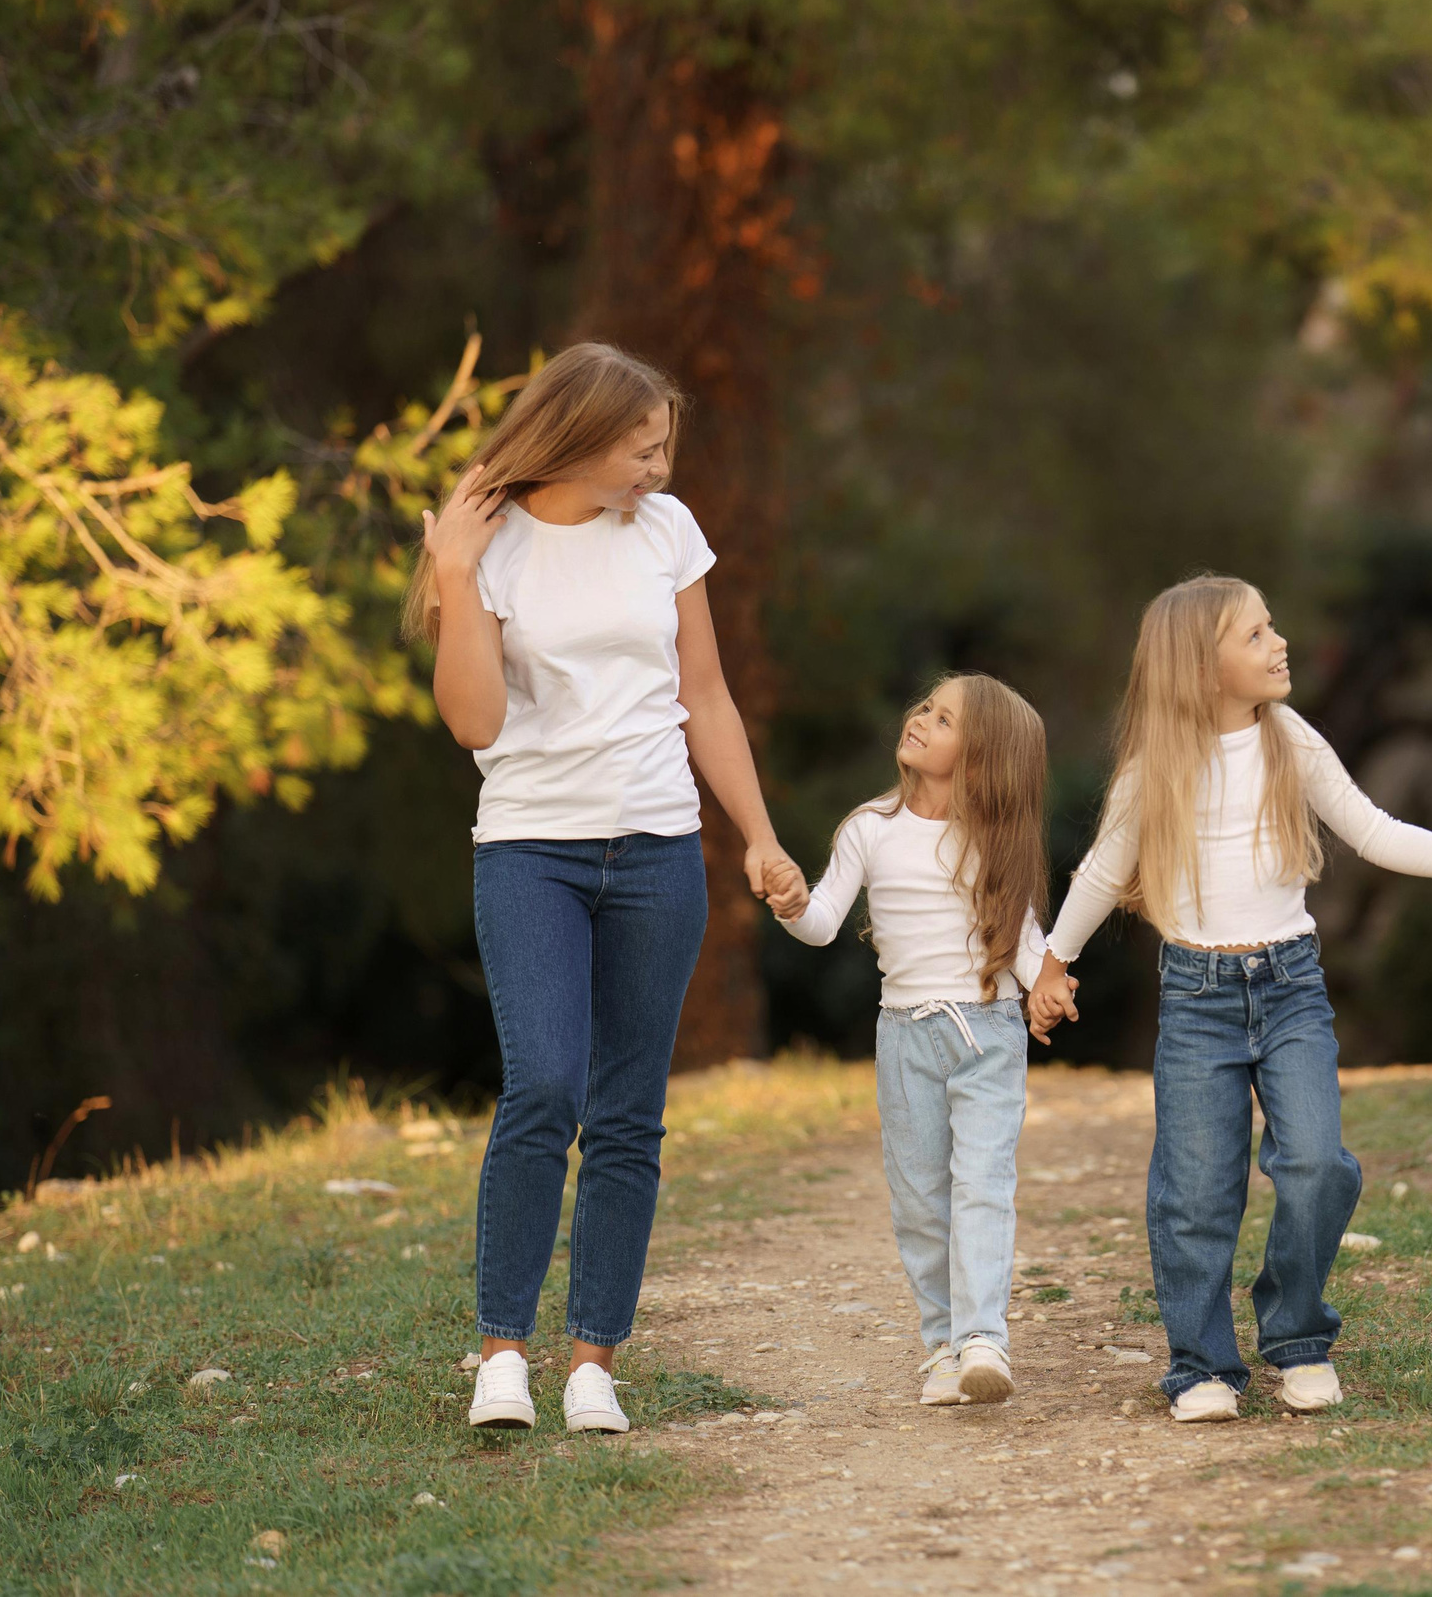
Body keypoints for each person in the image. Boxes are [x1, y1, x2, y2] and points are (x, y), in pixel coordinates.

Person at [410, 342, 795, 1434]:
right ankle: (501, 1356)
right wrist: (449, 576)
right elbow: (476, 723)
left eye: (665, 448)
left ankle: (592, 1366)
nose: (659, 469)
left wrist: (757, 837)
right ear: (580, 436)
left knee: (629, 1115)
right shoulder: (488, 541)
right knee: (542, 1088)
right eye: (643, 448)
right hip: (532, 846)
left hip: (659, 848)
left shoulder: (665, 533)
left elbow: (707, 699)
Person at [1027, 574, 1432, 1423]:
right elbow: (1104, 867)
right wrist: (1053, 961)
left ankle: (1296, 1335)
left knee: (1318, 1163)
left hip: (1289, 985)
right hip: (1197, 997)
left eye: (1270, 627)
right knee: (1196, 1189)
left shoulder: (1290, 739)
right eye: (1255, 635)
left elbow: (1369, 828)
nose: (1278, 642)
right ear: (1200, 667)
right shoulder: (1157, 767)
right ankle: (1201, 1363)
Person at [762, 674, 1051, 1407]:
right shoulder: (870, 826)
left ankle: (984, 1335)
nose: (921, 718)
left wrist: (1048, 984)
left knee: (982, 1184)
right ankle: (943, 1347)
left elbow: (1023, 940)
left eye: (943, 717)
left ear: (980, 756)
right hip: (904, 1039)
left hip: (987, 1031)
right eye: (926, 705)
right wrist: (794, 903)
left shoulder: (990, 840)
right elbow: (825, 920)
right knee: (920, 1200)